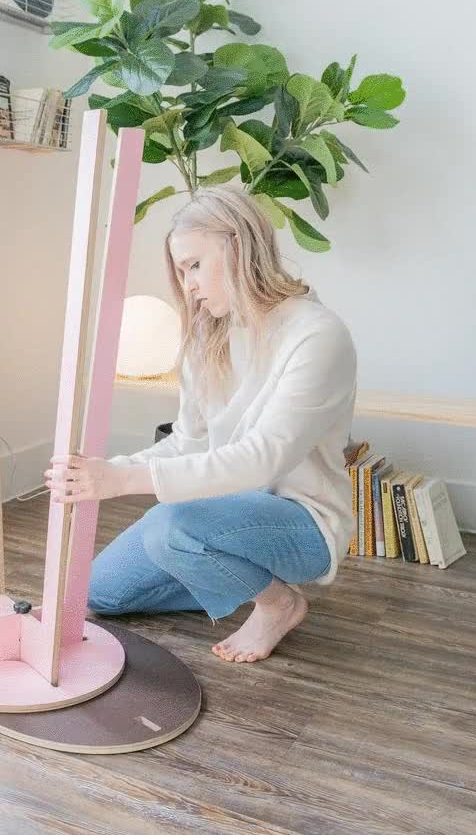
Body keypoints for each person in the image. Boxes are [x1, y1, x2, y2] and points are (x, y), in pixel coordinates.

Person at [44, 185, 357, 664]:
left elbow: (262, 458)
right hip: (218, 515)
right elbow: (187, 443)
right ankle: (226, 571)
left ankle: (278, 602)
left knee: (169, 528)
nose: (187, 286)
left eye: (193, 265)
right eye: (181, 270)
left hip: (302, 523)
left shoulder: (316, 334)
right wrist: (107, 468)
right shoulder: (208, 338)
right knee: (100, 592)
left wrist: (123, 480)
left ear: (238, 246)